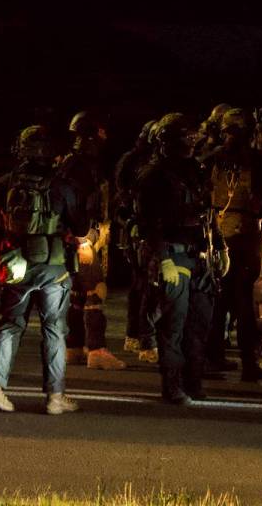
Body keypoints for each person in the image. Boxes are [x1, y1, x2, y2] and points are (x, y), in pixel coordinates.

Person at [0, 125, 85, 415]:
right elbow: (81, 226)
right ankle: (55, 396)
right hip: (53, 268)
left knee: (10, 326)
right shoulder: (62, 186)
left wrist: (1, 255)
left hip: (15, 266)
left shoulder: (4, 185)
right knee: (54, 330)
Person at [135, 113, 229, 404]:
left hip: (200, 256)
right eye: (185, 135)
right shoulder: (153, 175)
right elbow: (147, 223)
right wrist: (162, 259)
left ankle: (193, 383)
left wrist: (221, 247)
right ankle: (173, 386)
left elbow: (208, 212)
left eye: (192, 135)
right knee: (173, 325)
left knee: (199, 324)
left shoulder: (197, 170)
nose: (191, 140)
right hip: (173, 256)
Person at [58, 111, 125, 371]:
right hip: (84, 238)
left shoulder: (74, 163)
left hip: (80, 237)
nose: (104, 137)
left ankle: (74, 347)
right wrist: (83, 239)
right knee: (95, 292)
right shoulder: (80, 166)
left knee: (78, 294)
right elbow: (78, 205)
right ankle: (97, 350)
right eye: (99, 133)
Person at [207, 108, 262, 381]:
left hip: (219, 236)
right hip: (244, 236)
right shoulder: (258, 161)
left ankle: (213, 356)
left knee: (218, 299)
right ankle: (247, 361)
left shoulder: (210, 159)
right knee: (243, 301)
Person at [114, 118, 159, 363]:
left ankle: (135, 334)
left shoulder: (141, 161)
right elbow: (123, 198)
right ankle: (144, 339)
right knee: (146, 286)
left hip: (139, 229)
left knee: (141, 285)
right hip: (140, 231)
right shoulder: (139, 163)